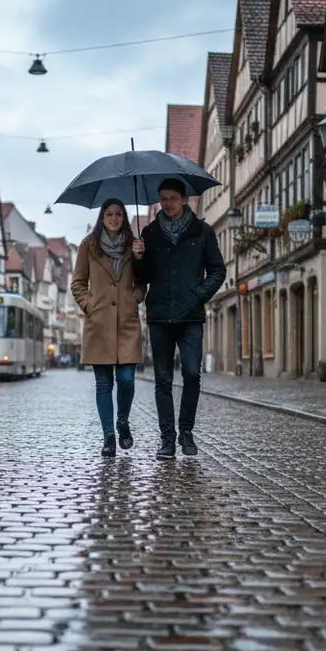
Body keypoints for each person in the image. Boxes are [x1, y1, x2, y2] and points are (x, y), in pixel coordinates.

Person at [132, 178, 226, 460]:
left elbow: (218, 271)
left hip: (191, 315)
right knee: (162, 379)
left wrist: (197, 296)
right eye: (163, 198)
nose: (167, 203)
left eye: (173, 198)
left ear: (185, 199)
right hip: (160, 315)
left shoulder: (203, 232)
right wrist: (138, 258)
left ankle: (186, 431)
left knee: (191, 373)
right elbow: (143, 278)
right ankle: (167, 439)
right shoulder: (149, 233)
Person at [71, 198, 147, 457]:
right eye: (109, 214)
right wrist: (90, 305)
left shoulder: (134, 245)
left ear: (124, 217)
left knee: (126, 379)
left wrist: (134, 295)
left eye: (118, 214)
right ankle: (108, 437)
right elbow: (78, 283)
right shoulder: (88, 246)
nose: (114, 218)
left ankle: (122, 421)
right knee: (103, 384)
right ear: (102, 218)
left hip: (126, 322)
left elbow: (143, 281)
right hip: (99, 323)